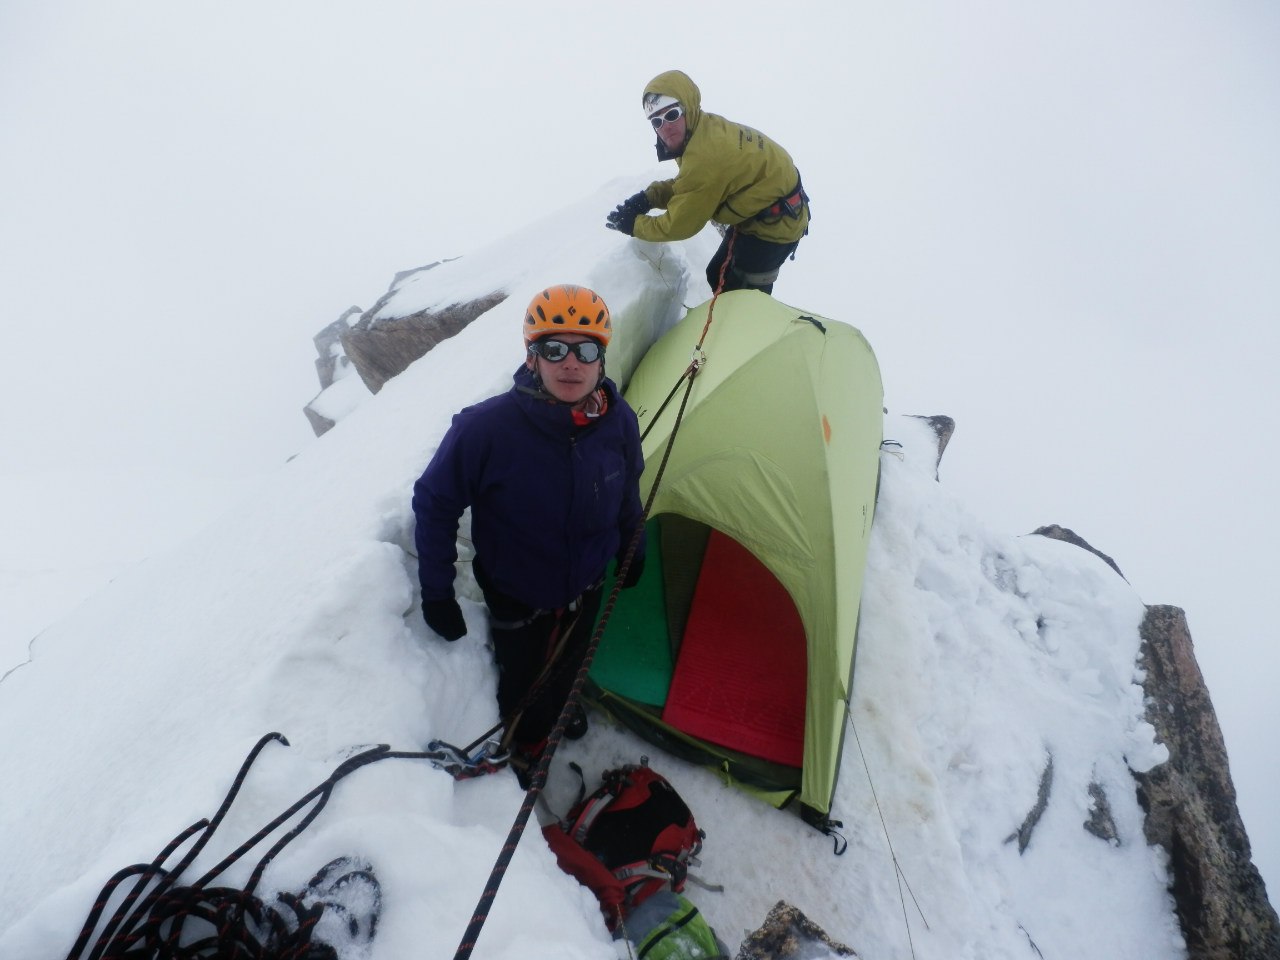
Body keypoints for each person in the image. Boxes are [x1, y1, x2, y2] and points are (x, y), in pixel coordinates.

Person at [411, 284, 646, 782]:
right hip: (516, 595)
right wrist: (438, 593)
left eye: (586, 350)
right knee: (521, 681)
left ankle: (559, 707)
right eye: (553, 348)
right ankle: (528, 742)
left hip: (588, 581)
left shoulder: (617, 421)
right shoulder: (486, 429)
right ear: (532, 356)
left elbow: (628, 488)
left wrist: (632, 542)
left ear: (602, 358)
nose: (571, 364)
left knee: (574, 660)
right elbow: (435, 503)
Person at [605, 69, 810, 296]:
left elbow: (678, 224)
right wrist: (648, 198)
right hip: (765, 210)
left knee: (738, 292)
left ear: (688, 108)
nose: (665, 127)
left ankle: (749, 328)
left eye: (672, 115)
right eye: (656, 121)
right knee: (717, 274)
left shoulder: (705, 155)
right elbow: (689, 184)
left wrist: (633, 225)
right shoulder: (701, 129)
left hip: (775, 227)